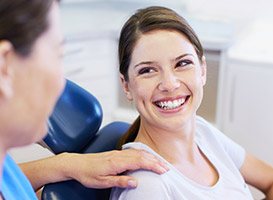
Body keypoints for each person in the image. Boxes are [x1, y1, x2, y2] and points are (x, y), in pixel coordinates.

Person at [0, 1, 169, 198]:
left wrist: (65, 166)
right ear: (5, 66)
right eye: (57, 55)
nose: (62, 85)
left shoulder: (6, 168)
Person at [110, 6, 273, 200]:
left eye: (182, 64)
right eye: (148, 70)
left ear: (202, 70)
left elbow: (271, 180)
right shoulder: (146, 187)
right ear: (126, 86)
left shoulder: (203, 133)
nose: (170, 84)